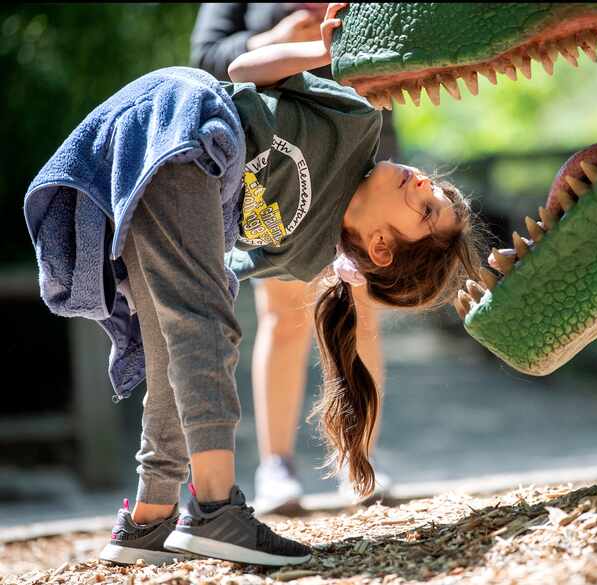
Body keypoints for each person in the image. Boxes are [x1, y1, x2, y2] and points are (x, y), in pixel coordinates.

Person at [23, 3, 481, 567]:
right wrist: (321, 53)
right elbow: (243, 69)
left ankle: (149, 518)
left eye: (428, 209)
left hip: (175, 171)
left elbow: (229, 270)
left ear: (384, 248)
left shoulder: (306, 254)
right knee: (204, 325)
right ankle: (216, 509)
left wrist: (206, 285)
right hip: (185, 121)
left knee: (173, 343)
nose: (424, 183)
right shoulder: (358, 124)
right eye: (434, 190)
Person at [190, 2, 399, 513]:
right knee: (282, 318)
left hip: (359, 153)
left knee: (360, 314)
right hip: (278, 172)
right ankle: (276, 466)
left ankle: (358, 460)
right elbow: (206, 63)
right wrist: (281, 39)